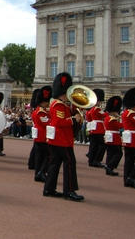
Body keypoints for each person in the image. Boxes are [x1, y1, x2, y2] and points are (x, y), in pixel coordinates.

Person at [43, 72, 84, 201]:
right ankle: (69, 190)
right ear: (63, 92)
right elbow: (59, 122)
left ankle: (49, 189)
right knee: (70, 164)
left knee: (54, 164)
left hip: (59, 140)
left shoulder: (61, 105)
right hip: (62, 141)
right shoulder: (59, 105)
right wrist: (73, 119)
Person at [31, 86, 51, 182]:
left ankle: (38, 174)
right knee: (46, 156)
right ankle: (41, 173)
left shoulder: (40, 111)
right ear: (44, 101)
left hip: (40, 137)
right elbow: (46, 123)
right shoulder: (40, 112)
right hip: (42, 137)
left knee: (40, 157)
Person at [121, 87, 135, 188]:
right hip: (134, 139)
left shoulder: (126, 113)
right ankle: (132, 177)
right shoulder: (131, 113)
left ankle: (127, 179)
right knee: (129, 160)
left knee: (129, 160)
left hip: (130, 139)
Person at [86, 89, 106, 168]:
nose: (100, 103)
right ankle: (97, 160)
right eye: (100, 101)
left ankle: (91, 160)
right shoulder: (97, 109)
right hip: (98, 129)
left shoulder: (90, 110)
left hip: (93, 129)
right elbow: (105, 115)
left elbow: (88, 118)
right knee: (101, 145)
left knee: (93, 145)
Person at [103, 96, 123, 176]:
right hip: (114, 138)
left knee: (110, 153)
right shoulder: (112, 119)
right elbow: (119, 126)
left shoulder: (107, 118)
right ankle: (110, 166)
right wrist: (121, 119)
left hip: (109, 137)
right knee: (119, 153)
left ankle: (109, 169)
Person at [27, 89, 40, 170]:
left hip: (36, 127)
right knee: (37, 146)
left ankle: (31, 163)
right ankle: (33, 163)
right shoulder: (38, 110)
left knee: (35, 146)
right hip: (38, 128)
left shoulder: (36, 108)